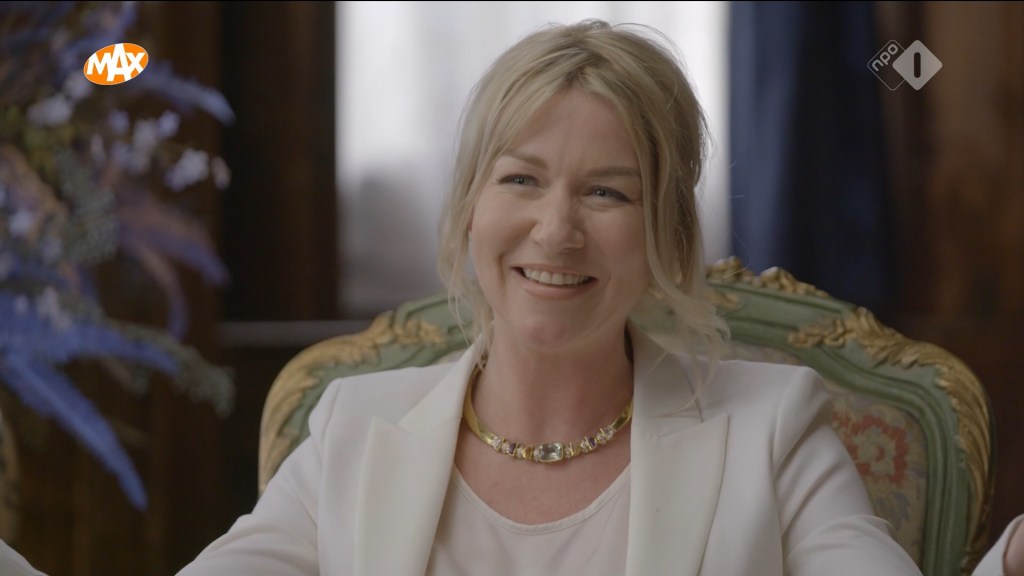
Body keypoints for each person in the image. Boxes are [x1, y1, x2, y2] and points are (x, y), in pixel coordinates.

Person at [177, 19, 1023, 576]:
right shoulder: (352, 425)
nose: (556, 231)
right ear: (469, 207)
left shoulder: (773, 428)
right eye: (521, 179)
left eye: (607, 193)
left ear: (667, 239)